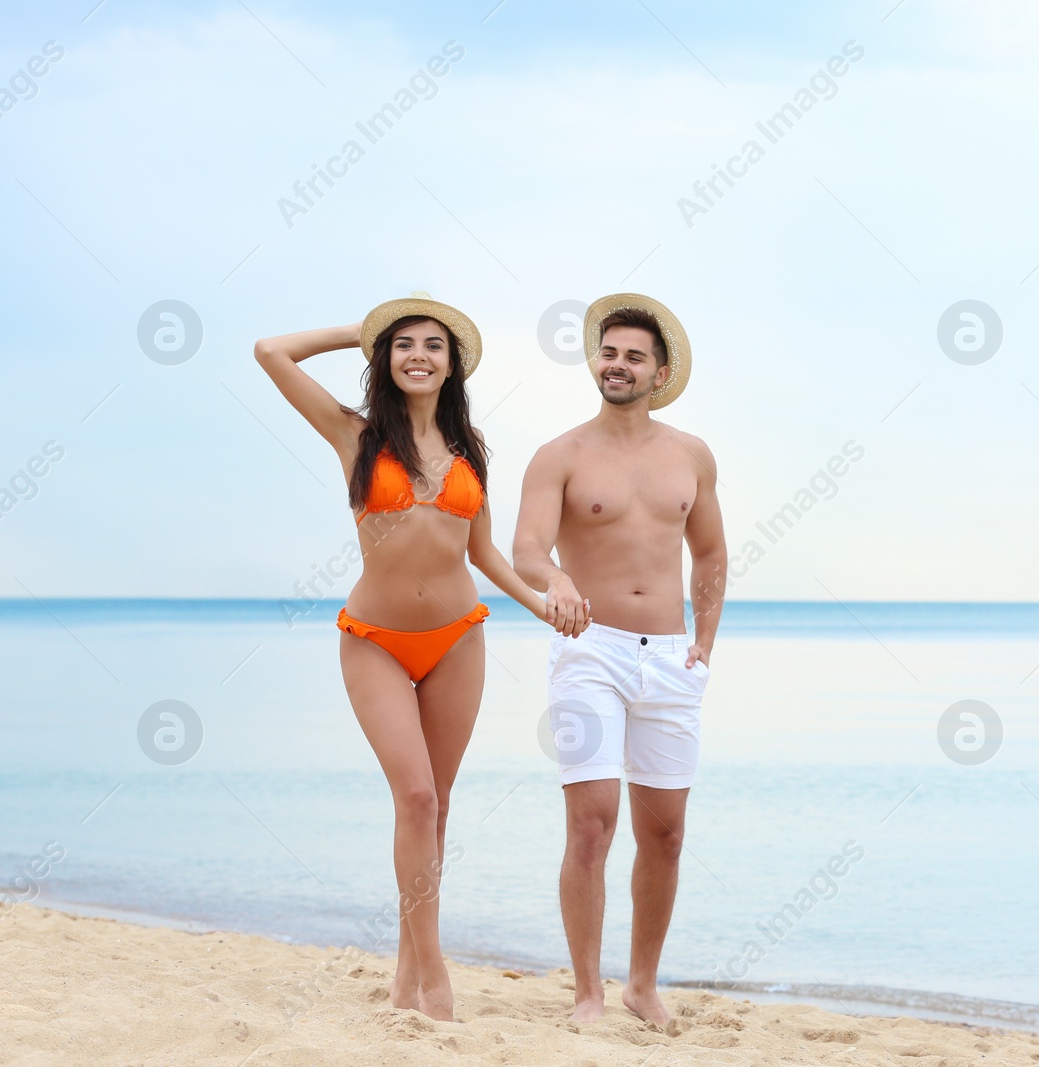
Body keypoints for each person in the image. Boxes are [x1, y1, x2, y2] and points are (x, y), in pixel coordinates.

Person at [254, 292, 582, 1021]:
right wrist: (358, 330)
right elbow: (270, 351)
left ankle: (407, 974)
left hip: (460, 637)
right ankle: (434, 972)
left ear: (451, 364)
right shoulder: (355, 435)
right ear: (386, 359)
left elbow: (488, 554)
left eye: (433, 344)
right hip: (374, 639)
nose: (418, 355)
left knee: (437, 811)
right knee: (417, 797)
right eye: (402, 344)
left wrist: (544, 604)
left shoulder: (471, 451)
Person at [513, 293, 727, 1024]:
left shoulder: (691, 454)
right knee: (592, 824)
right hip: (590, 651)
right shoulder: (561, 455)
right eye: (609, 353)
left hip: (672, 658)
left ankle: (641, 985)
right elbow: (525, 550)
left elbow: (711, 550)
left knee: (665, 832)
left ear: (659, 372)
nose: (618, 365)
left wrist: (707, 636)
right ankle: (587, 992)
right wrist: (558, 579)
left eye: (634, 356)